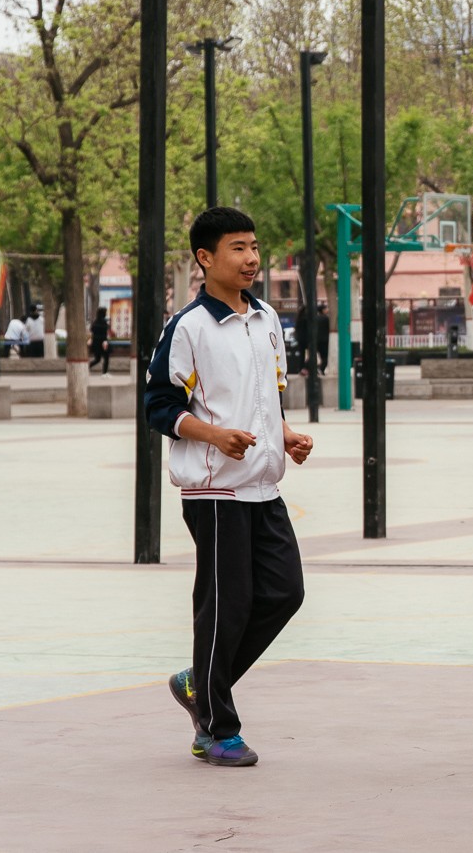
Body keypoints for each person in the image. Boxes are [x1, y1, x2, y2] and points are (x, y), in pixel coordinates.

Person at [143, 206, 313, 767]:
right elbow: (159, 408)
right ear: (205, 258)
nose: (251, 259)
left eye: (255, 247)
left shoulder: (265, 320)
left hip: (264, 486)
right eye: (238, 248)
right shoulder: (188, 327)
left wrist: (284, 434)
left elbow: (268, 398)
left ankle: (201, 680)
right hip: (215, 493)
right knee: (226, 607)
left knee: (286, 592)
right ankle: (215, 728)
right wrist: (213, 435)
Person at [89, 309, 112, 374]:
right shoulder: (104, 322)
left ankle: (88, 366)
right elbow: (105, 333)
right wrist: (105, 341)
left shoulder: (95, 322)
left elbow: (92, 330)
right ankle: (105, 372)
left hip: (96, 343)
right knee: (106, 358)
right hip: (103, 343)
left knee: (97, 359)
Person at [315, 300, 330, 373]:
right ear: (323, 310)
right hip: (325, 340)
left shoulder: (316, 318)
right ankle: (321, 368)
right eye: (326, 308)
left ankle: (321, 369)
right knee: (325, 357)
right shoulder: (326, 318)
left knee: (321, 356)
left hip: (318, 340)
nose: (327, 310)